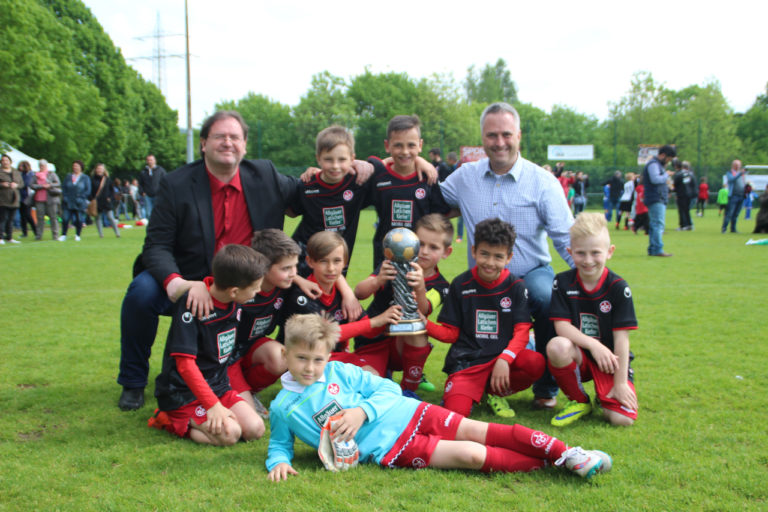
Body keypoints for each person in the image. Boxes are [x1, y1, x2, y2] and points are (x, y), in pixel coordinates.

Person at [117, 110, 374, 411]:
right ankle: (133, 382)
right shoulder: (176, 184)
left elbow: (314, 187)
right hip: (191, 276)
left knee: (283, 309)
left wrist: (358, 165)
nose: (228, 142)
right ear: (203, 143)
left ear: (245, 145)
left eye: (234, 137)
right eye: (219, 136)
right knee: (142, 293)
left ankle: (249, 382)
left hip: (250, 281)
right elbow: (156, 245)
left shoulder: (264, 175)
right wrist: (179, 284)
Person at [266, 313, 612, 482]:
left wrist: (361, 412)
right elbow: (280, 444)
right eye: (301, 359)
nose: (310, 368)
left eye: (318, 359)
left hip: (409, 412)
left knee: (478, 430)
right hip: (389, 449)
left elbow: (387, 388)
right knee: (471, 455)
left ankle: (567, 452)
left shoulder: (341, 371)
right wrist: (277, 462)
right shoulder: (283, 407)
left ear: (328, 355)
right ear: (284, 355)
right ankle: (557, 466)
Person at [440, 102, 574, 410]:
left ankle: (546, 386)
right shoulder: (464, 177)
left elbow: (564, 235)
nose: (499, 142)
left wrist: (590, 280)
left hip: (531, 271)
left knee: (544, 294)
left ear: (519, 136)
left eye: (506, 134)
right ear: (482, 138)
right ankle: (474, 375)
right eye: (491, 135)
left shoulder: (542, 181)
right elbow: (432, 199)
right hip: (484, 276)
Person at [424, 218, 544, 418]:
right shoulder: (460, 284)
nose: (490, 262)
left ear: (509, 258)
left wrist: (505, 358)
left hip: (500, 360)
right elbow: (451, 334)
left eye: (498, 257)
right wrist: (423, 322)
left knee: (535, 362)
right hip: (467, 362)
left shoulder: (516, 287)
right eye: (484, 254)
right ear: (473, 251)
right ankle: (465, 390)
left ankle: (494, 393)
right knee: (456, 414)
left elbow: (522, 332)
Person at [148, 244, 267, 445]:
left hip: (218, 386)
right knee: (231, 435)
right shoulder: (192, 306)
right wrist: (212, 405)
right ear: (234, 291)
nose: (258, 292)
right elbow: (185, 365)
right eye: (255, 289)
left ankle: (211, 414)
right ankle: (167, 418)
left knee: (255, 429)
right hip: (183, 393)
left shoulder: (234, 299)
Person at [546, 213, 638, 427]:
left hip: (609, 361)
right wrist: (593, 345)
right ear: (570, 252)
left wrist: (621, 383)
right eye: (580, 253)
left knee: (622, 420)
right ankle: (579, 400)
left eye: (595, 253)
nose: (588, 260)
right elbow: (561, 326)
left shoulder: (618, 288)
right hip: (580, 356)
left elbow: (622, 340)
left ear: (609, 252)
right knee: (557, 346)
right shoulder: (562, 282)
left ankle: (604, 395)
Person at [353, 213, 453, 392]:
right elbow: (359, 293)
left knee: (418, 329)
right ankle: (383, 371)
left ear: (446, 252)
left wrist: (421, 287)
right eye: (420, 244)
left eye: (434, 247)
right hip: (373, 340)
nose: (424, 251)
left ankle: (409, 389)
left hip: (401, 343)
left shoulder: (441, 286)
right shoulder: (392, 263)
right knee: (370, 385)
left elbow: (423, 310)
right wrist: (377, 280)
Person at [368, 115, 451, 270]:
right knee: (384, 294)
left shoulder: (428, 178)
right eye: (398, 145)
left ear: (420, 145)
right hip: (385, 257)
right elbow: (361, 170)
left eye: (411, 145)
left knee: (418, 294)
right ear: (388, 146)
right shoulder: (378, 178)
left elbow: (440, 215)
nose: (405, 151)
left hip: (420, 258)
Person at [642, 145, 676, 257]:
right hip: (656, 197)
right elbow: (655, 179)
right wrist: (666, 175)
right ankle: (657, 249)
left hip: (657, 197)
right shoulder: (653, 165)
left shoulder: (656, 164)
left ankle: (653, 249)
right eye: (668, 159)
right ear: (662, 155)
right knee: (658, 224)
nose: (668, 162)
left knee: (655, 224)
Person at [59, 160, 91, 242]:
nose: (75, 167)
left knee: (79, 219)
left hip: (79, 202)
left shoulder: (85, 178)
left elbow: (88, 190)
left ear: (81, 167)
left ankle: (77, 235)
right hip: (68, 201)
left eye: (77, 166)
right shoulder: (68, 176)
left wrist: (82, 198)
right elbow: (64, 188)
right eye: (74, 166)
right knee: (65, 218)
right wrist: (65, 197)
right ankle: (63, 234)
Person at [30, 159, 61, 240]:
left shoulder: (51, 174)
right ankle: (38, 235)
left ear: (46, 166)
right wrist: (41, 186)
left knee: (53, 217)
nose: (42, 167)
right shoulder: (35, 175)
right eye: (40, 165)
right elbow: (31, 185)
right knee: (40, 218)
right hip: (39, 199)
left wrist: (49, 185)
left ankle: (55, 235)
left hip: (51, 199)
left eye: (43, 165)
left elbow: (58, 183)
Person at [90, 163, 120, 238]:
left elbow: (112, 191)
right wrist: (92, 199)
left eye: (101, 168)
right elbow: (90, 191)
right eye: (98, 168)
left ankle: (117, 233)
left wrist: (110, 198)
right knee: (98, 218)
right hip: (97, 201)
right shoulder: (92, 179)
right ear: (96, 169)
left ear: (104, 170)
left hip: (106, 201)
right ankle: (101, 234)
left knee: (110, 217)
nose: (99, 170)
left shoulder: (107, 179)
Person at [0, 154, 23, 244]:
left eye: (6, 160)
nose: (5, 162)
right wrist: (2, 184)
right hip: (3, 199)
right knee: (2, 218)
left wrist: (16, 185)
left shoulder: (16, 172)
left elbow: (22, 184)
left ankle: (9, 237)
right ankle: (0, 237)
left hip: (14, 199)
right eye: (3, 160)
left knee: (11, 219)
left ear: (10, 161)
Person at [721, 160, 747, 234]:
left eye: (739, 165)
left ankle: (733, 229)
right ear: (733, 165)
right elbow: (732, 179)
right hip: (733, 196)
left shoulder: (741, 174)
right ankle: (724, 228)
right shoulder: (730, 173)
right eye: (736, 165)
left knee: (736, 214)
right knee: (729, 213)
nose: (738, 166)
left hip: (741, 196)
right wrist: (739, 174)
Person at [138, 154, 166, 220]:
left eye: (151, 160)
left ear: (155, 161)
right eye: (148, 160)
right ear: (146, 161)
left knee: (159, 211)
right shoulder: (143, 172)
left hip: (158, 194)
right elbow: (140, 184)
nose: (150, 161)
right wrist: (142, 192)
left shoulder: (160, 170)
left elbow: (165, 181)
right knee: (149, 213)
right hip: (147, 195)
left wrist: (163, 191)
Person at [673, 160, 696, 230]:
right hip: (689, 194)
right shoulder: (691, 174)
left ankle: (683, 225)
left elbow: (675, 185)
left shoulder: (679, 174)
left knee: (681, 210)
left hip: (681, 194)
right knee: (686, 210)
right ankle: (689, 224)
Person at [445, 152, 463, 242]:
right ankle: (459, 236)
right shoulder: (454, 167)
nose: (447, 161)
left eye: (448, 159)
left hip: (462, 196)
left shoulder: (461, 166)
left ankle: (460, 236)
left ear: (451, 159)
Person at [16, 161, 37, 238]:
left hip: (27, 198)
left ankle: (36, 231)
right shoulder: (21, 174)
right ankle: (24, 233)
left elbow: (27, 184)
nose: (20, 168)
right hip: (21, 197)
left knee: (28, 215)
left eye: (22, 166)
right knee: (22, 216)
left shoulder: (30, 174)